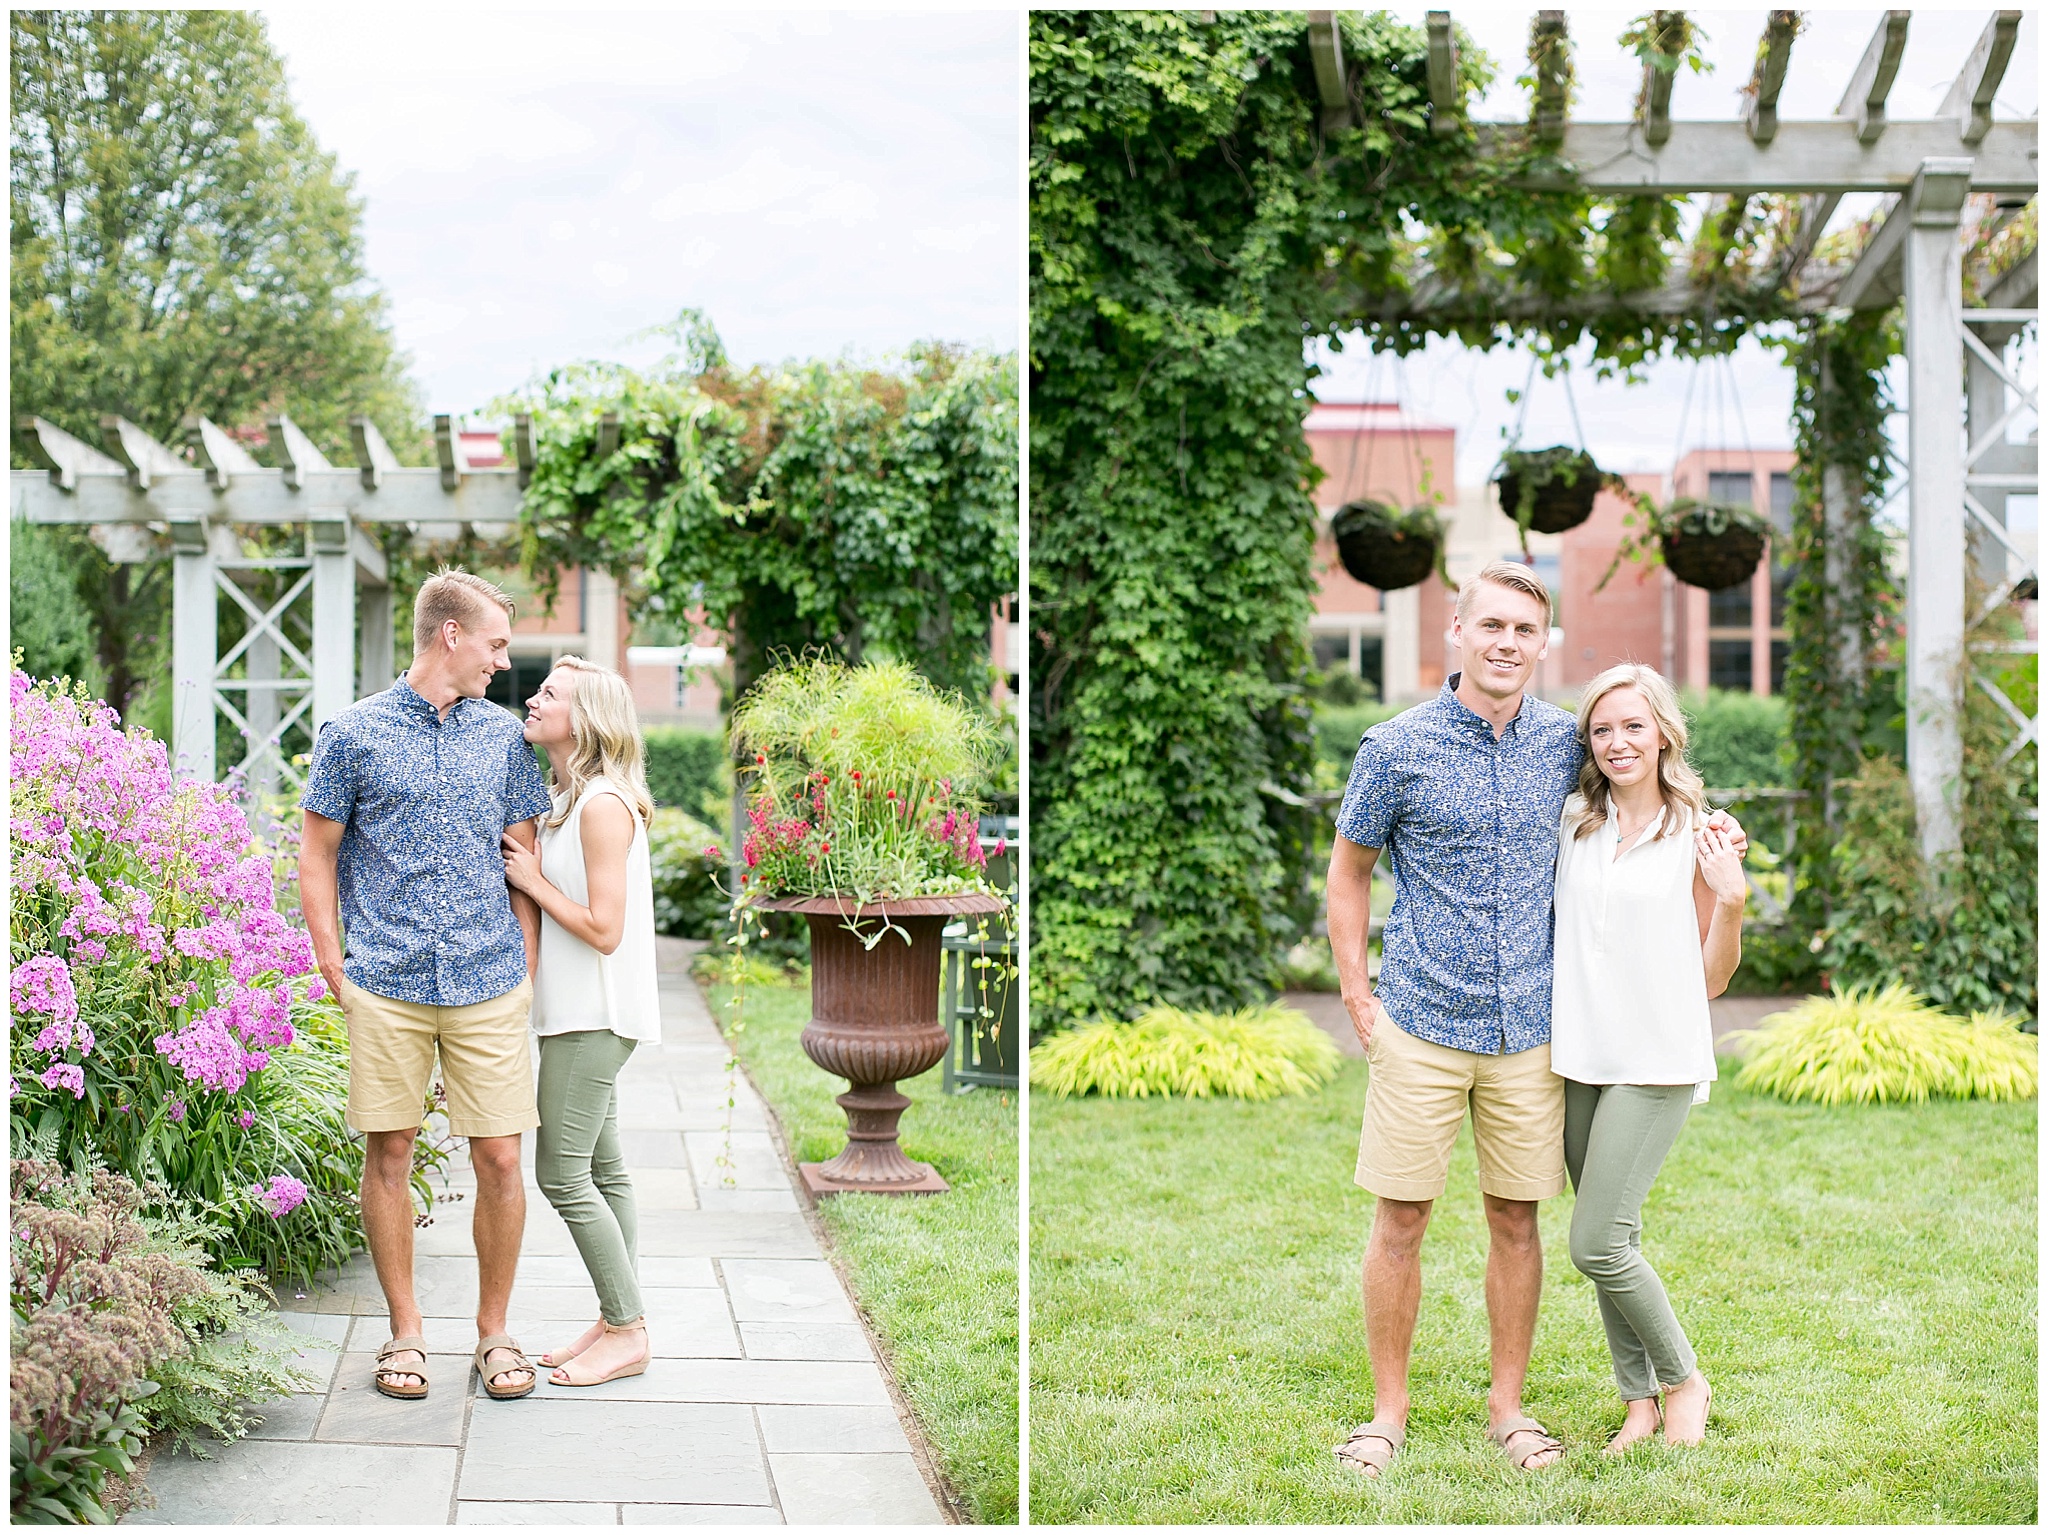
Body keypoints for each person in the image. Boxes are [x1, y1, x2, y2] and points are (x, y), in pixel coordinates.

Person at [1325, 560, 1745, 1478]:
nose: (1507, 643)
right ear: (1457, 631)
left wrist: (1723, 850)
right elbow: (1348, 870)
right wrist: (1358, 994)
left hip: (1535, 1035)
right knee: (1400, 1222)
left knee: (1519, 1223)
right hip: (1423, 1021)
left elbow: (1652, 789)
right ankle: (1385, 1413)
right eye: (1492, 626)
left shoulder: (1569, 744)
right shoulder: (1393, 746)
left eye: (1525, 628)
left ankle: (1509, 1410)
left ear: (1543, 641)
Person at [300, 568, 553, 1403]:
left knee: (503, 1157)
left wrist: (524, 956)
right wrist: (333, 962)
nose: (501, 659)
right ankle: (405, 1331)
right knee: (393, 1148)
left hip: (487, 977)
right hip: (388, 979)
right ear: (450, 633)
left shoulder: (506, 739)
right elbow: (318, 852)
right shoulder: (353, 732)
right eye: (495, 641)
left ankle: (494, 1332)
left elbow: (524, 855)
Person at [1550, 664, 1742, 1452]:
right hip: (1580, 1052)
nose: (1618, 741)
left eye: (1633, 725)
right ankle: (1638, 1402)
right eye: (1602, 729)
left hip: (1657, 1054)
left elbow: (1714, 976)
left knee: (1596, 1239)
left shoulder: (1699, 830)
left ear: (1663, 729)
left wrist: (1730, 899)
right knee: (1610, 1244)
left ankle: (1683, 1378)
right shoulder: (1571, 819)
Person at [499, 656, 661, 1387]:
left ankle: (627, 1329)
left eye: (550, 694)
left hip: (593, 1016)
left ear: (585, 717)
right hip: (583, 1013)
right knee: (604, 1169)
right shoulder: (577, 795)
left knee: (561, 1175)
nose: (532, 699)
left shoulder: (600, 805)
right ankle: (614, 1316)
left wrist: (531, 879)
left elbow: (603, 928)